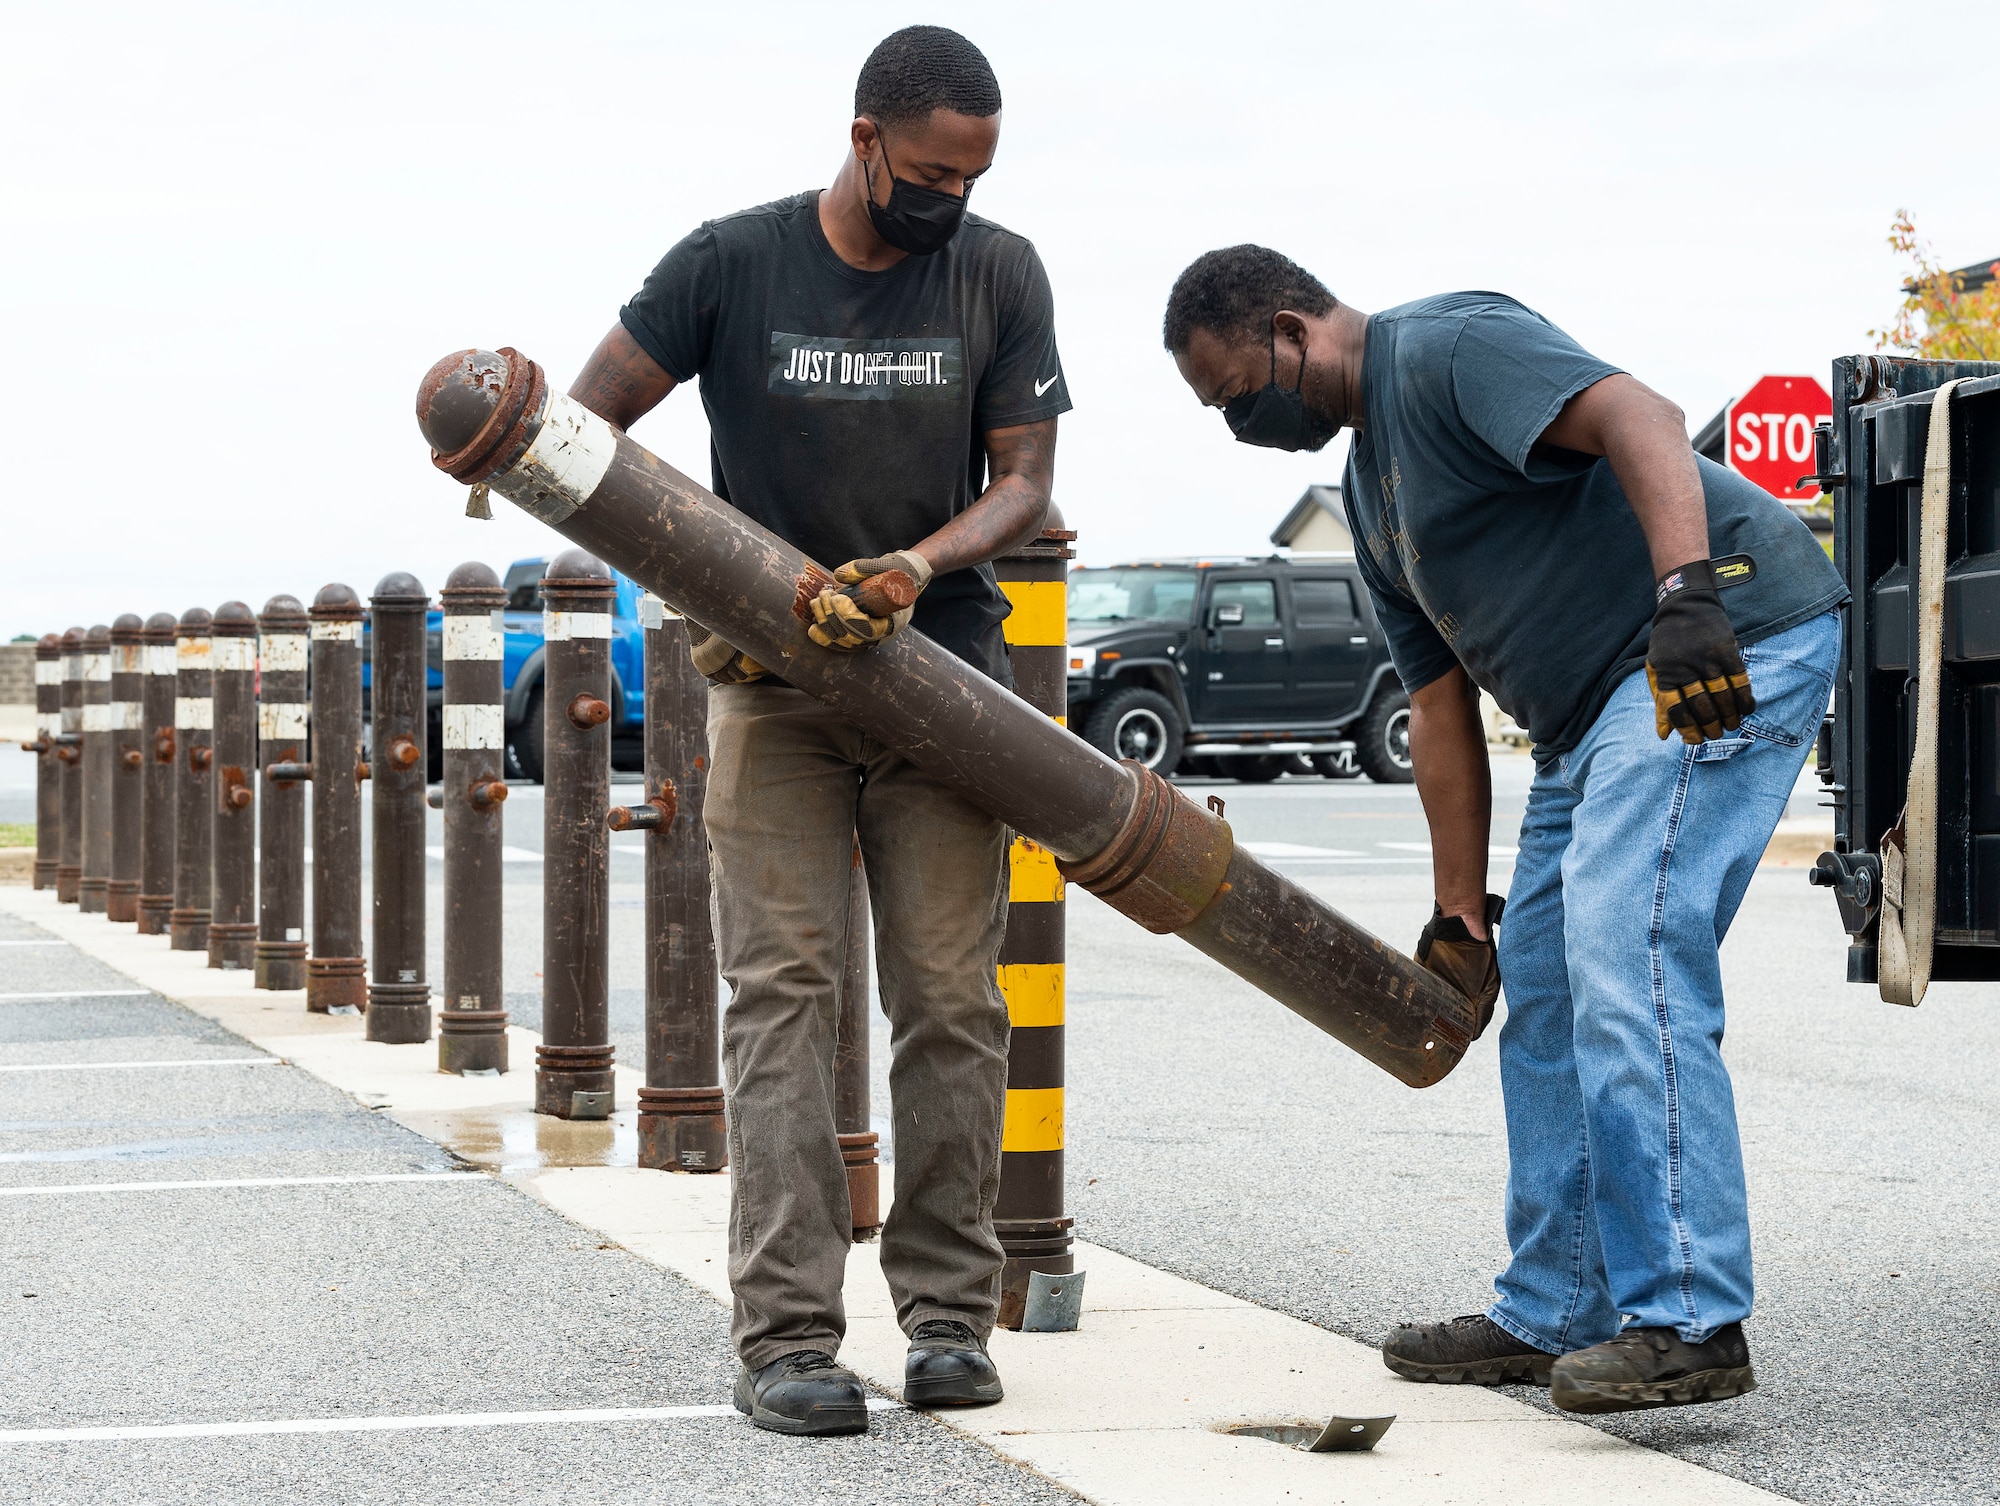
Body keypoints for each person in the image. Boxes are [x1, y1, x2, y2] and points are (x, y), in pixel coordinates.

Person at [1163, 247, 1845, 1415]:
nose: (1240, 424)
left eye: (1236, 394)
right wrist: (1456, 910)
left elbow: (1642, 414)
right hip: (1588, 716)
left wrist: (1687, 596)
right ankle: (1555, 1305)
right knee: (1537, 968)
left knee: (1623, 941)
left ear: (1289, 328)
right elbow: (1436, 713)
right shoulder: (1371, 499)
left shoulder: (1445, 346)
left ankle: (1687, 1316)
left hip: (1717, 639)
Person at [567, 26, 1068, 1436]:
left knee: (952, 1000)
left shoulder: (998, 270)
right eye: (928, 176)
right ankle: (787, 1335)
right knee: (784, 1000)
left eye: (971, 177)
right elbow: (592, 431)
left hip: (939, 687)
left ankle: (949, 1319)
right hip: (773, 688)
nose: (948, 203)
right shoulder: (730, 264)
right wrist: (711, 574)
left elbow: (1025, 483)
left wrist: (915, 564)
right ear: (864, 141)